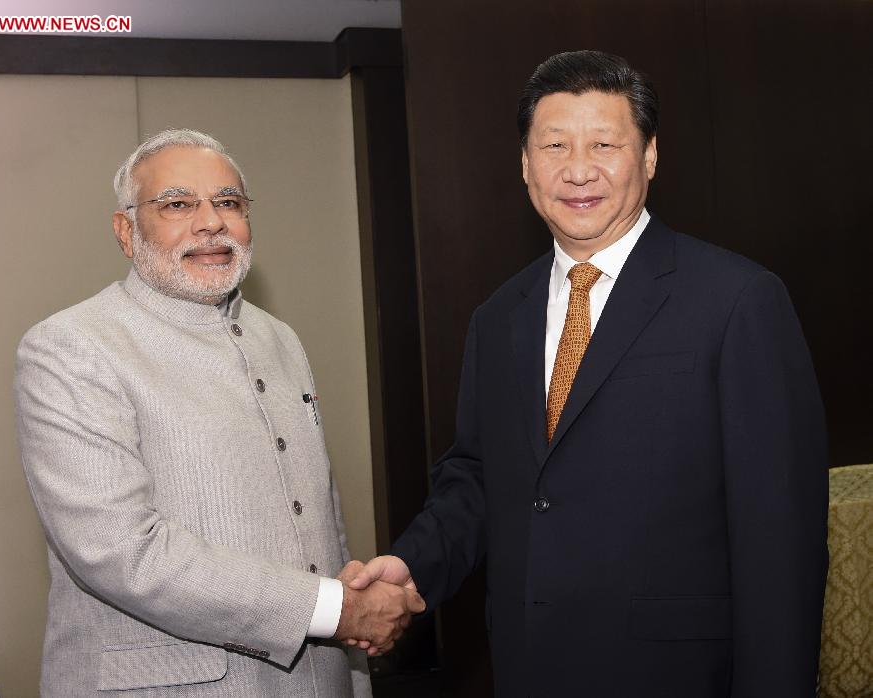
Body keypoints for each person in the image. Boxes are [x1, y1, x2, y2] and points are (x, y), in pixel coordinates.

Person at [346, 51, 829, 696]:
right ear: (524, 164)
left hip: (679, 675)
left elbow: (782, 540)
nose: (578, 170)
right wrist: (412, 564)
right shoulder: (498, 318)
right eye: (554, 146)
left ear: (650, 156)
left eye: (605, 144)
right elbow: (478, 477)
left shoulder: (738, 299)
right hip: (528, 666)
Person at [14, 129, 424, 697]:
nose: (211, 222)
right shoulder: (70, 347)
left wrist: (350, 660)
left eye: (228, 202)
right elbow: (120, 550)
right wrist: (337, 610)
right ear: (126, 232)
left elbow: (318, 521)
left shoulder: (279, 339)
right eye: (178, 204)